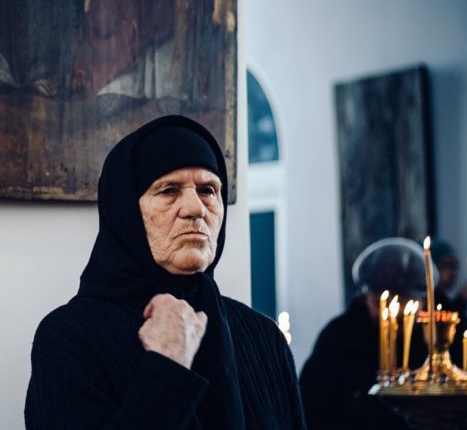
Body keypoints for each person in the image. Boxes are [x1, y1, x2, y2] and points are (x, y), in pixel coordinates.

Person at [25, 115, 305, 429]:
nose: (195, 208)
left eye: (208, 190)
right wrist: (167, 366)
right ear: (127, 212)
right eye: (169, 190)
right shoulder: (70, 338)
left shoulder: (263, 337)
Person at [299, 237, 432, 430]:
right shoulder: (339, 337)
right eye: (380, 303)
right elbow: (312, 407)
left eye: (405, 302)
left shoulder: (437, 337)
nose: (393, 314)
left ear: (424, 300)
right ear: (365, 297)